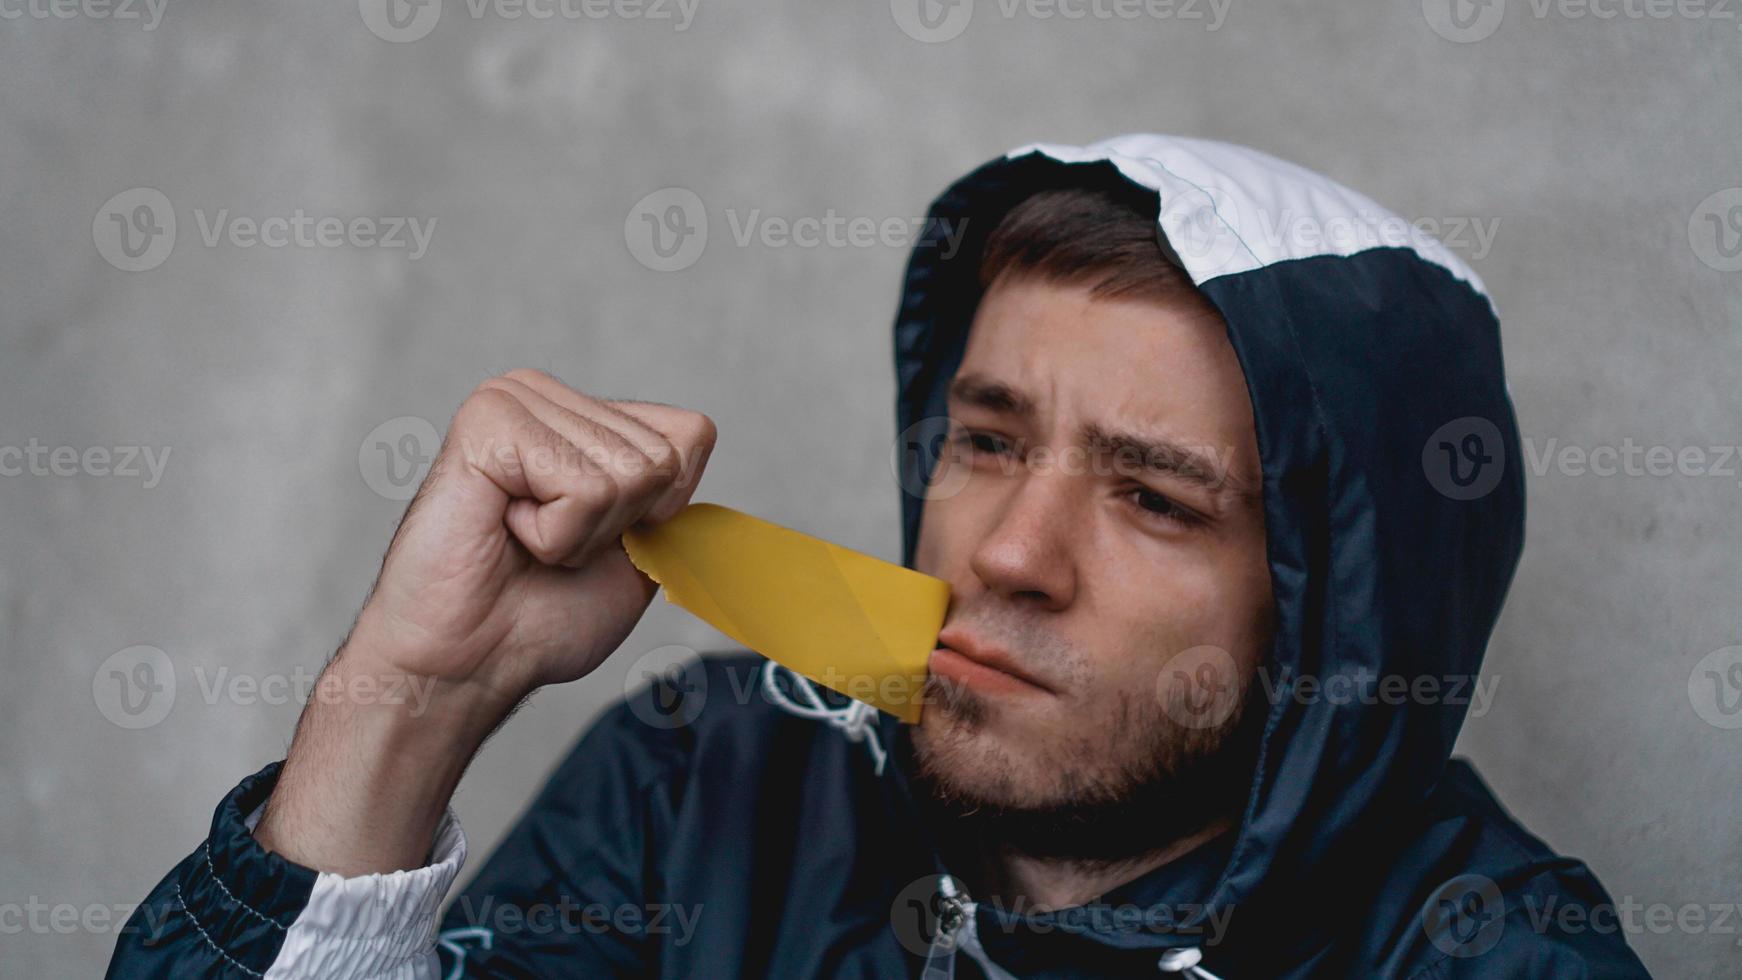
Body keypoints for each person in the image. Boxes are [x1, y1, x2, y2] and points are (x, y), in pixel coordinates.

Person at [107, 134, 1652, 978]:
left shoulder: (1488, 954)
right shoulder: (703, 776)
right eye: (985, 442)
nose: (1008, 554)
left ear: (1334, 616)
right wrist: (415, 694)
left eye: (1153, 498)